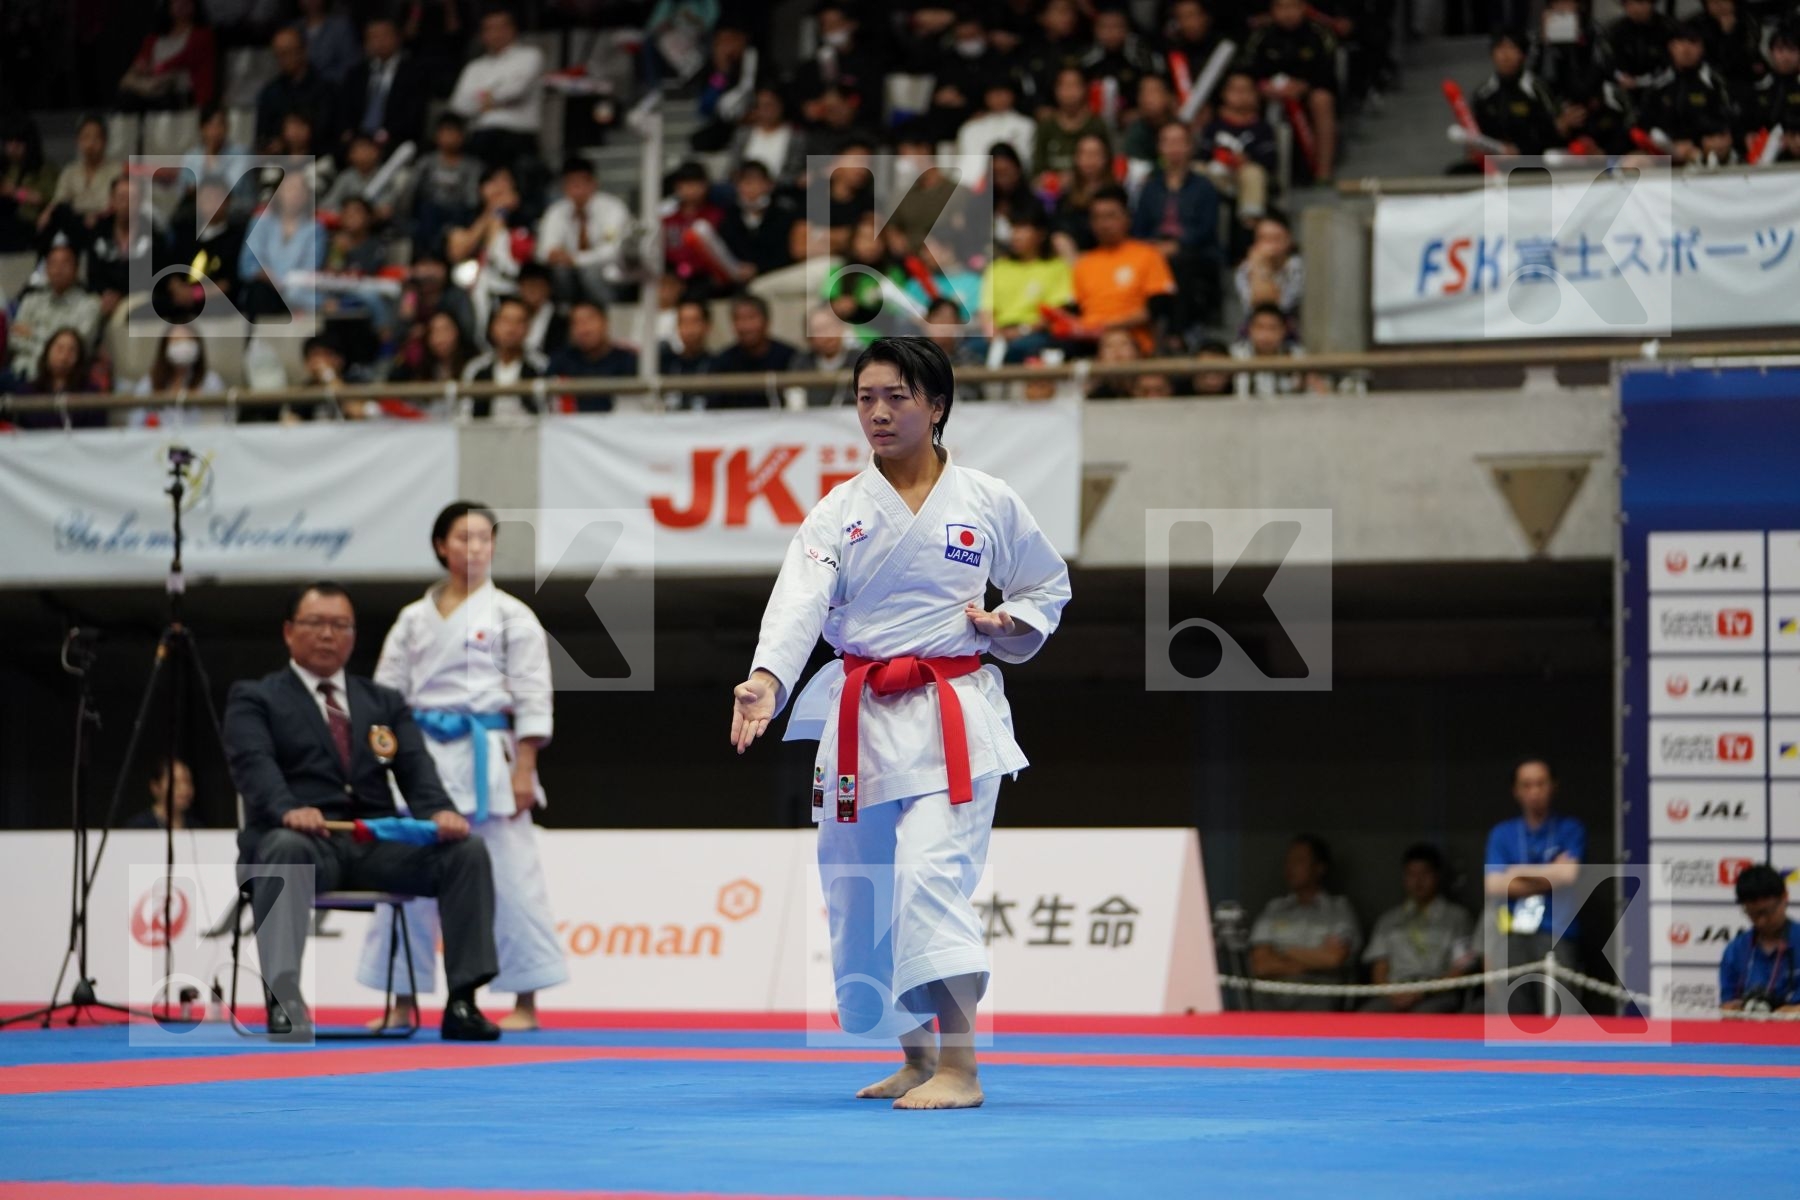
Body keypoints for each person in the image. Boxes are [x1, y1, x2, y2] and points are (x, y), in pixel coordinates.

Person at [731, 337, 1071, 1109]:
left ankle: (961, 1068)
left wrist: (1009, 622)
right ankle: (917, 1058)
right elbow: (798, 602)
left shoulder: (986, 499)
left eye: (896, 397)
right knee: (864, 889)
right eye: (866, 398)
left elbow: (1045, 586)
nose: (878, 413)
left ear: (936, 405)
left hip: (953, 715)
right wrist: (768, 677)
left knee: (929, 877)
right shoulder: (839, 511)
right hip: (860, 719)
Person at [221, 581, 502, 1041]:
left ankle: (463, 1001)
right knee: (285, 848)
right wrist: (289, 809)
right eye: (316, 623)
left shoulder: (383, 702)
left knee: (465, 851)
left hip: (373, 846)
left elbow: (417, 770)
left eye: (340, 625)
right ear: (289, 632)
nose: (328, 635)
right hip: (302, 843)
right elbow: (254, 767)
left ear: (353, 635)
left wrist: (440, 812)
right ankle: (284, 998)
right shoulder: (256, 697)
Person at [358, 503, 568, 1033]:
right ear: (441, 546)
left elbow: (533, 693)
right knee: (402, 873)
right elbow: (385, 698)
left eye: (484, 538)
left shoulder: (512, 615)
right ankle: (401, 1001)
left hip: (487, 755)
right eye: (464, 538)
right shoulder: (412, 619)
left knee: (513, 879)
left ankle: (525, 1001)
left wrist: (525, 768)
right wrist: (382, 765)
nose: (475, 547)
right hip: (420, 757)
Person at [1483, 757, 1586, 1016]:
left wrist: (1516, 872)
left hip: (1557, 932)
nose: (1535, 791)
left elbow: (1568, 876)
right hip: (1513, 933)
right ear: (1516, 791)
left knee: (1561, 1016)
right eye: (1527, 785)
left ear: (1553, 786)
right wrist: (1549, 875)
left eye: (1541, 783)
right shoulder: (1502, 833)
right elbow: (1494, 885)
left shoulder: (1570, 829)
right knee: (1515, 1017)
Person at [1248, 834, 1363, 1011]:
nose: (1290, 867)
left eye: (1299, 861)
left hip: (1316, 992)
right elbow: (1260, 965)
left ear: (1319, 868)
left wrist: (1281, 949)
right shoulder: (1274, 910)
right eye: (1288, 861)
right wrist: (1309, 961)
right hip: (1273, 994)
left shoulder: (1338, 910)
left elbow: (1333, 959)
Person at [1360, 844, 1477, 1013]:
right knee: (1366, 1017)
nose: (1418, 881)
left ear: (1437, 876)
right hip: (1394, 993)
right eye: (1411, 874)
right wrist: (1394, 994)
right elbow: (1379, 971)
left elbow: (1462, 970)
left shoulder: (1458, 918)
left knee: (1423, 1017)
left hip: (1437, 994)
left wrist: (1422, 992)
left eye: (1424, 874)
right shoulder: (1388, 920)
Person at [1072, 185, 1177, 355]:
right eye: (1097, 218)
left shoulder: (1147, 255)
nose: (1103, 224)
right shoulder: (1084, 263)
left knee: (1117, 344)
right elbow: (1076, 311)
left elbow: (1158, 307)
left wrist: (1107, 326)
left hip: (1134, 339)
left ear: (1127, 218)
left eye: (1110, 216)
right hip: (1090, 343)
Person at [448, 7, 547, 172]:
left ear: (513, 29)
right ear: (482, 34)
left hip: (517, 137)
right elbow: (459, 104)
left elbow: (515, 91)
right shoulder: (474, 67)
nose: (496, 33)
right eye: (489, 29)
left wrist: (482, 97)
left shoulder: (530, 56)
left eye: (501, 27)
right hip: (480, 137)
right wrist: (494, 95)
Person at [535, 160, 633, 307]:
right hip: (569, 273)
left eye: (581, 183)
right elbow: (544, 250)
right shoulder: (556, 212)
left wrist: (576, 259)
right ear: (564, 187)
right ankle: (566, 311)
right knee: (559, 270)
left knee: (590, 273)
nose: (576, 190)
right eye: (571, 184)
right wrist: (553, 254)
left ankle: (607, 311)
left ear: (593, 184)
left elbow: (612, 251)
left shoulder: (614, 209)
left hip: (610, 272)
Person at [9, 242, 103, 380]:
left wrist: (32, 334)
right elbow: (14, 339)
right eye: (53, 263)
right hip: (20, 372)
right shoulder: (31, 300)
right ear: (46, 269)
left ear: (76, 269)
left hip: (62, 379)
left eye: (65, 263)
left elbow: (74, 351)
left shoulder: (90, 306)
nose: (58, 269)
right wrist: (54, 348)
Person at [1719, 865, 1800, 1013]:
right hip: (1748, 1026)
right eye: (1752, 913)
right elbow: (1727, 1004)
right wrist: (1732, 1008)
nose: (1761, 921)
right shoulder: (1735, 951)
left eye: (1767, 912)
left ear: (1785, 897)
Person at [344, 17, 428, 151]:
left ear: (398, 38)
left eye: (385, 35)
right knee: (315, 155)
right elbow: (345, 111)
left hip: (395, 141)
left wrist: (385, 135)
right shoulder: (356, 74)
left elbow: (413, 117)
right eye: (374, 37)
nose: (379, 41)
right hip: (357, 141)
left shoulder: (414, 74)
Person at [462, 296, 550, 420]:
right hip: (486, 430)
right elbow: (466, 414)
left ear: (528, 329)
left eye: (519, 322)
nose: (511, 329)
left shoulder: (541, 366)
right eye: (505, 321)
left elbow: (548, 412)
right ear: (493, 326)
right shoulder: (477, 368)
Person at [709, 295, 799, 407]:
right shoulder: (722, 362)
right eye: (739, 319)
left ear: (767, 321)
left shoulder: (789, 357)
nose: (746, 326)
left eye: (752, 318)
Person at [548, 301, 640, 410]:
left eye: (590, 320)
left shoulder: (628, 360)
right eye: (576, 322)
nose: (584, 329)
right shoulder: (560, 362)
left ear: (605, 322)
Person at [129, 327, 226, 428]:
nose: (183, 346)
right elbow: (135, 424)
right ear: (165, 347)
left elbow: (220, 421)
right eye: (177, 341)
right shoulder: (148, 383)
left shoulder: (210, 381)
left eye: (189, 341)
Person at [124, 757, 204, 830]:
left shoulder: (196, 827)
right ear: (155, 787)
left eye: (188, 782)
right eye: (175, 782)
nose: (184, 788)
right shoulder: (139, 827)